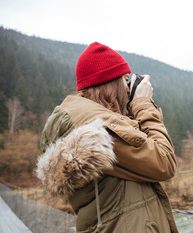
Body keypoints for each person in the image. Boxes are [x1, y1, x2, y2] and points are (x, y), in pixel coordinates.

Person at [36, 42, 178, 233]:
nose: (128, 89)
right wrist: (143, 104)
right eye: (125, 80)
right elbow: (164, 162)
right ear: (111, 84)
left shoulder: (84, 124)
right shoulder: (99, 132)